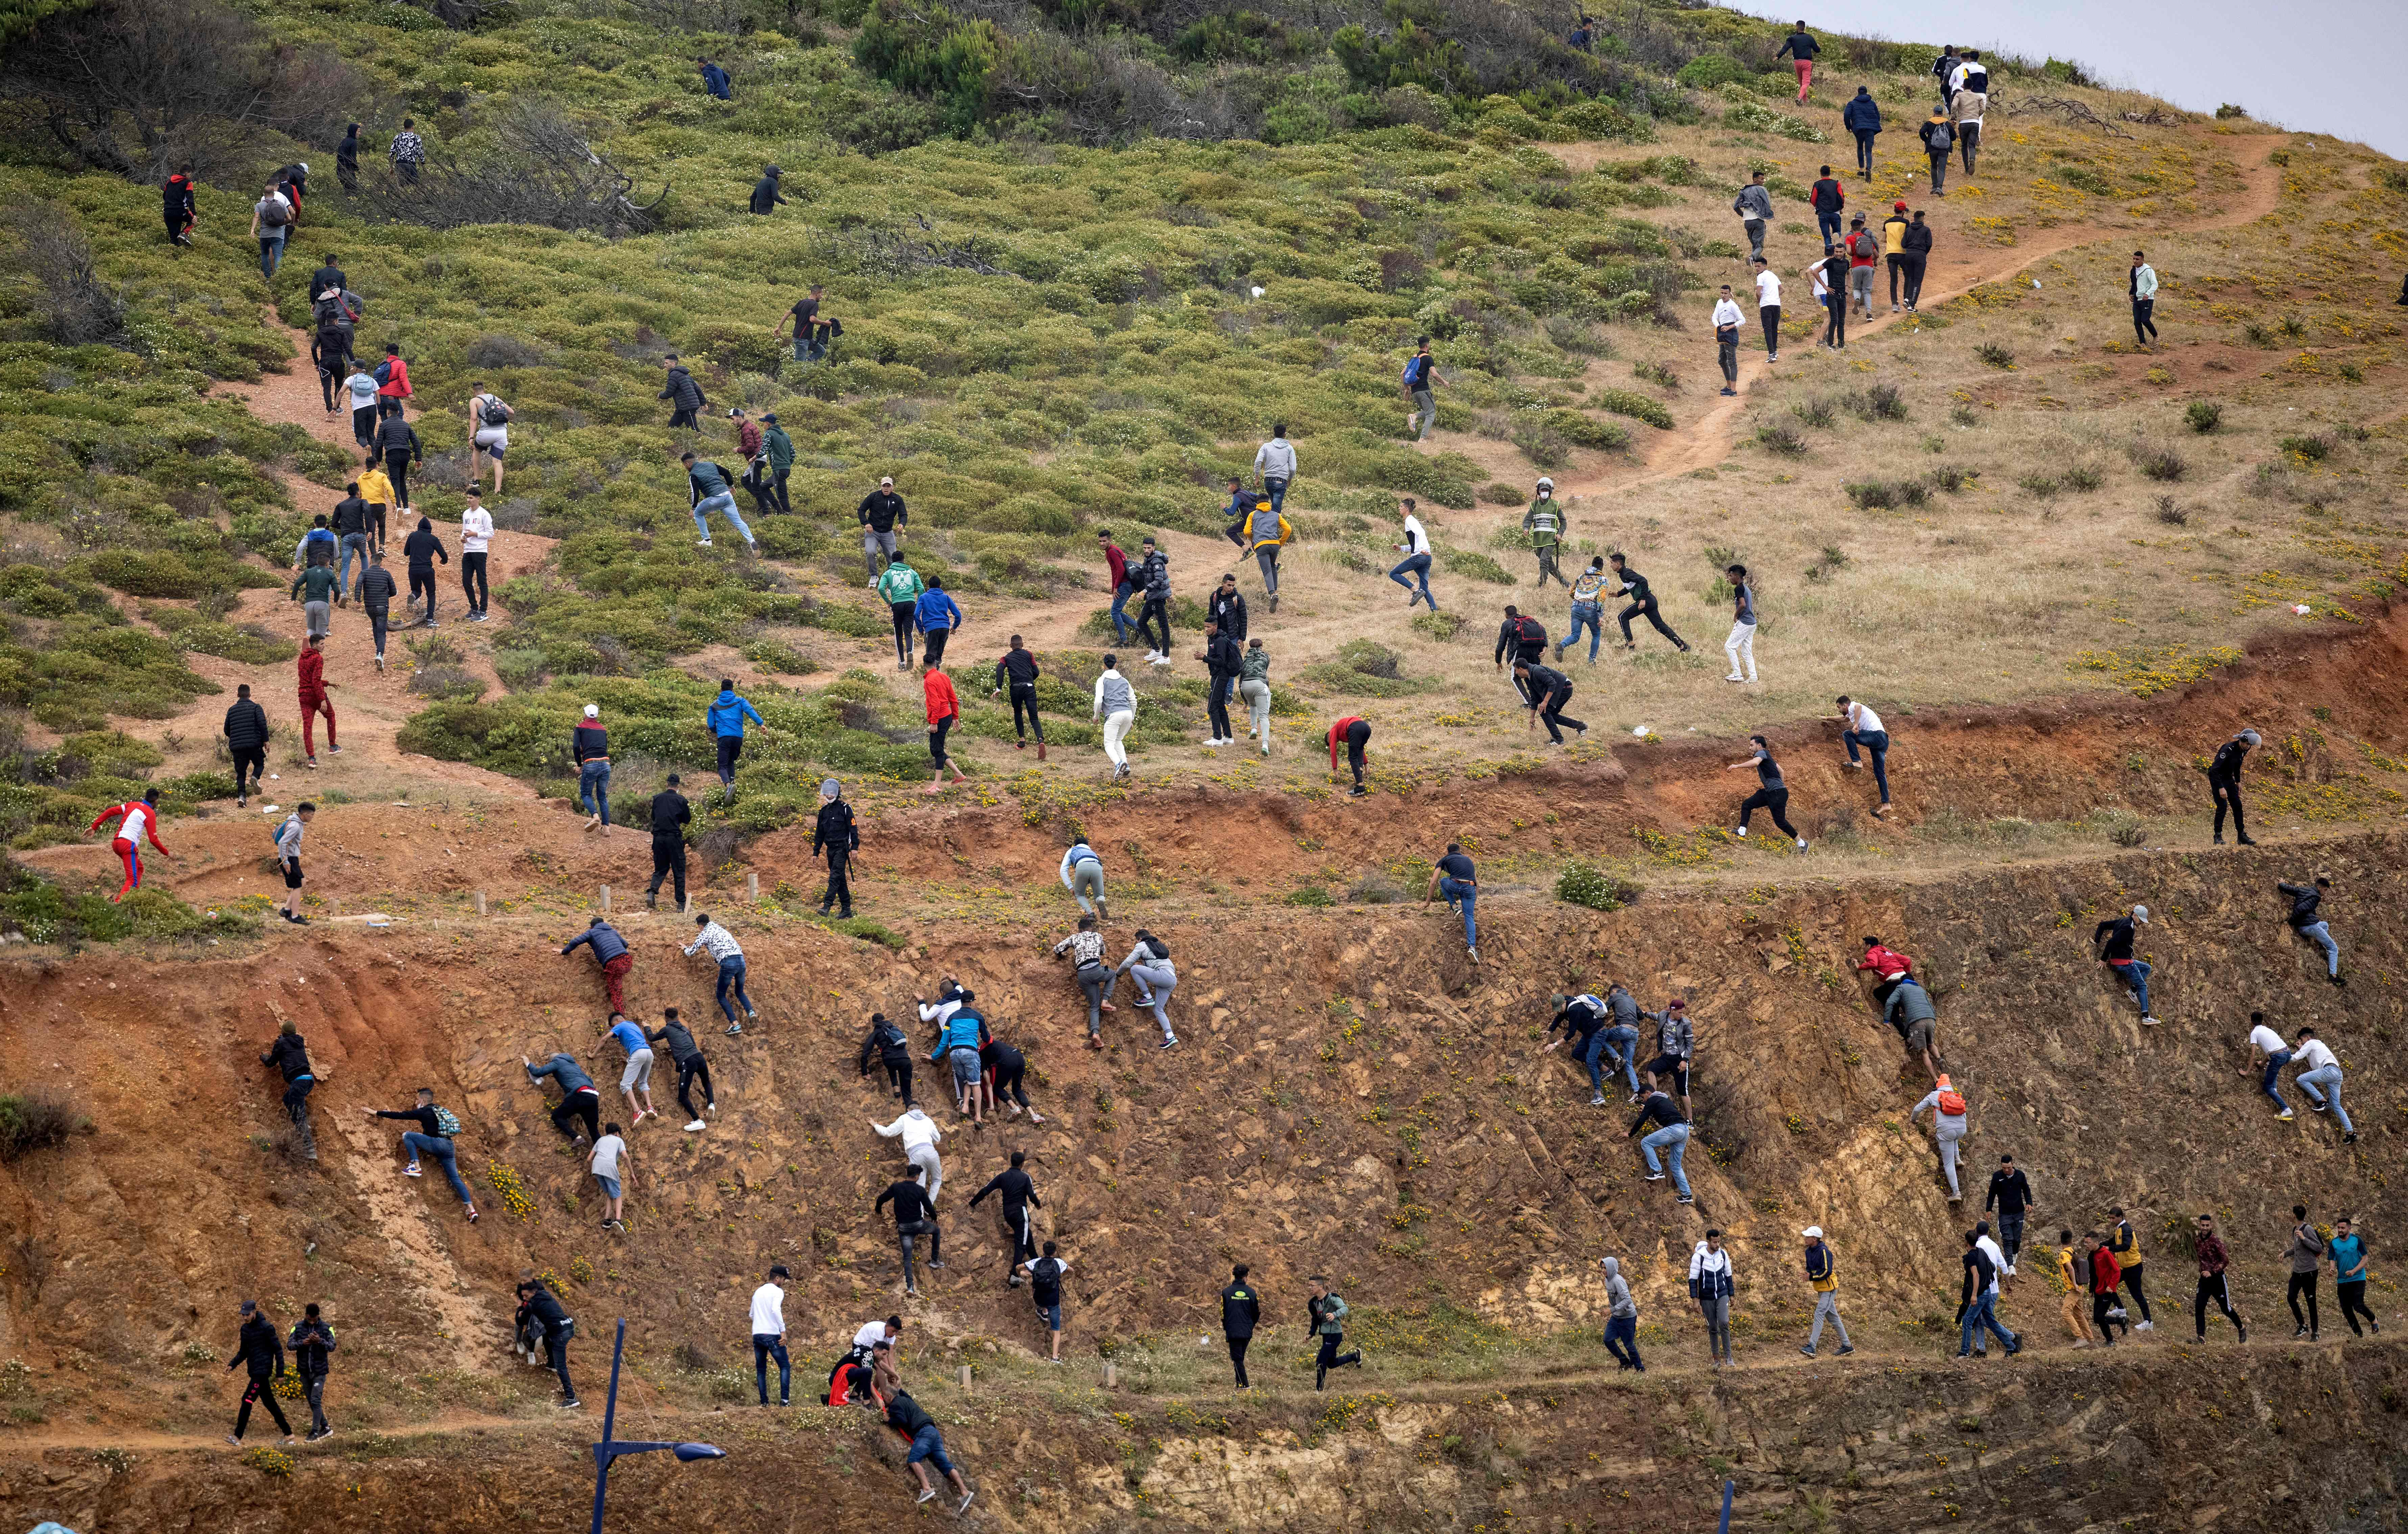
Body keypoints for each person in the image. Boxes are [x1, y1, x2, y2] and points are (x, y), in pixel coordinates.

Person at [851, 1367, 974, 1513]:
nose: (883, 1400)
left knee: (914, 1459)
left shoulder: (896, 1405)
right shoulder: (906, 1399)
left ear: (889, 1397)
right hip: (934, 1432)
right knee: (945, 1464)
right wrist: (896, 1385)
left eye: (884, 1398)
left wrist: (888, 1420)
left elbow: (901, 1420)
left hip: (923, 1434)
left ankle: (927, 1489)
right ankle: (965, 1492)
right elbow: (900, 1392)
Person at [367, 1087, 478, 1221]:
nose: (416, 1102)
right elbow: (430, 1131)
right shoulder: (438, 1110)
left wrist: (377, 1112)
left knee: (408, 1136)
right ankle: (472, 1210)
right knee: (455, 1179)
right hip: (449, 1146)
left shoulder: (424, 1111)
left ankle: (416, 1167)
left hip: (437, 1144)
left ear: (423, 1100)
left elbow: (402, 1116)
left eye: (417, 1099)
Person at [226, 1300, 295, 1446]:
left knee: (247, 1400)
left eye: (248, 1314)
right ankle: (289, 1434)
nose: (245, 1317)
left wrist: (280, 1373)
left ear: (255, 1312)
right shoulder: (245, 1330)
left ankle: (237, 1437)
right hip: (254, 1371)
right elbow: (243, 1352)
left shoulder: (267, 1328)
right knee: (270, 1404)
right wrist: (232, 1365)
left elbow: (278, 1351)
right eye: (243, 1315)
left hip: (262, 1373)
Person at [971, 1150, 1043, 1286]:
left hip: (1008, 1214)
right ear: (1022, 1164)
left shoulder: (1002, 1176)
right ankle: (1015, 1276)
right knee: (1021, 1245)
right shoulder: (1025, 1177)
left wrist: (973, 1203)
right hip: (1021, 1213)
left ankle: (1039, 1266)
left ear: (1011, 1161)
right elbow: (1032, 1195)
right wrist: (1038, 1204)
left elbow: (986, 1190)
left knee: (1027, 1237)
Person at [88, 787, 170, 902]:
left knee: (139, 868)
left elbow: (110, 811)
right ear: (156, 801)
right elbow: (154, 840)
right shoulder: (150, 813)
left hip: (117, 843)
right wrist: (167, 853)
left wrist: (94, 827)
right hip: (128, 845)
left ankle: (132, 898)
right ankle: (120, 906)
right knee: (132, 880)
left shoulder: (132, 805)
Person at [1728, 734, 1806, 850]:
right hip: (1772, 792)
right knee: (1747, 804)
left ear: (1759, 746)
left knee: (1781, 822)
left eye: (1751, 745)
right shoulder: (1768, 756)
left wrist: (1737, 766)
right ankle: (1742, 831)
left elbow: (1755, 763)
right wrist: (1779, 785)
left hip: (1777, 793)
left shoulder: (1762, 753)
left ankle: (1802, 844)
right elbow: (1781, 771)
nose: (1750, 748)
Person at [875, 1164, 942, 1296]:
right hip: (919, 1225)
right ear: (917, 1176)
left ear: (908, 1174)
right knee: (936, 1231)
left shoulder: (897, 1187)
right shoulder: (920, 1190)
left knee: (907, 1258)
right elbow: (928, 1207)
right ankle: (934, 1260)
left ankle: (910, 1287)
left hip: (904, 1227)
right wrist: (935, 1217)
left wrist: (878, 1209)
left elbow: (881, 1199)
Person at [1603, 553, 1687, 654]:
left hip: (1646, 601)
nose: (1610, 565)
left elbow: (1643, 581)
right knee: (1660, 627)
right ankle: (1683, 646)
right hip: (1650, 601)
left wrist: (1643, 599)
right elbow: (1630, 587)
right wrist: (1618, 594)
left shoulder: (1627, 573)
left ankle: (1630, 644)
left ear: (1617, 564)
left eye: (1611, 563)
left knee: (1622, 617)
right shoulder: (1623, 574)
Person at [260, 1020, 319, 1162]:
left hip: (298, 1083)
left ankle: (310, 1151)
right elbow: (290, 1044)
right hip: (309, 1081)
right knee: (287, 1100)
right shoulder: (299, 1041)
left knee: (299, 1116)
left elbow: (271, 1063)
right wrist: (283, 1040)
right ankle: (303, 1125)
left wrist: (264, 1058)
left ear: (283, 1033)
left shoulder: (281, 1044)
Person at [647, 1008, 715, 1131]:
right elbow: (692, 1045)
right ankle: (711, 1104)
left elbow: (652, 1038)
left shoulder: (667, 1029)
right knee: (706, 1082)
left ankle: (697, 1120)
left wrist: (647, 1027)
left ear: (666, 1018)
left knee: (683, 1097)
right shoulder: (686, 1029)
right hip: (699, 1057)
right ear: (678, 1018)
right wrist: (674, 1049)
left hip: (688, 1062)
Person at [686, 913, 756, 1032]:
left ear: (701, 926)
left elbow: (690, 952)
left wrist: (684, 948)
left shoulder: (704, 933)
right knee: (740, 992)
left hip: (729, 963)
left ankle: (735, 1024)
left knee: (721, 995)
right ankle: (751, 1013)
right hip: (741, 960)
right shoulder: (720, 929)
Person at [516, 1273, 579, 1407]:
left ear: (534, 1293)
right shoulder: (546, 1295)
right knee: (547, 1336)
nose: (524, 1298)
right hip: (569, 1327)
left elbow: (521, 1321)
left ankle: (572, 1399)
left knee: (562, 1367)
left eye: (526, 1296)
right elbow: (539, 1285)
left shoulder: (533, 1305)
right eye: (523, 1296)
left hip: (561, 1334)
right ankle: (552, 1364)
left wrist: (520, 1311)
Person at [1957, 1230, 2019, 1359]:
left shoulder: (1971, 1257)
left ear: (1966, 1243)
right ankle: (2012, 1346)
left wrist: (1974, 1295)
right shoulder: (1982, 1252)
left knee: (1968, 1320)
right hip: (1988, 1291)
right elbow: (1992, 1267)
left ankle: (1964, 1352)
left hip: (1980, 1294)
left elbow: (1976, 1275)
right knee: (1990, 1321)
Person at [2093, 905, 2158, 1025]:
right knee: (2143, 986)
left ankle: (2133, 991)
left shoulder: (2124, 920)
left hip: (2125, 959)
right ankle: (2146, 1017)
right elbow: (2111, 942)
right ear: (2135, 915)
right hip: (2124, 962)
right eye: (2141, 920)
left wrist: (2097, 940)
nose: (2142, 923)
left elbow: (2103, 925)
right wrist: (2103, 960)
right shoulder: (2129, 927)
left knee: (2147, 968)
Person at [1628, 1086, 1692, 1204]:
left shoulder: (1653, 1098)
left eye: (1643, 1097)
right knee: (1675, 1165)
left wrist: (1630, 1134)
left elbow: (1642, 1119)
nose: (1644, 1101)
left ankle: (1657, 1171)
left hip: (1675, 1129)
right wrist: (1649, 1113)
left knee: (1646, 1142)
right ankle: (1687, 1195)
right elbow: (1663, 1114)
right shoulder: (1664, 1099)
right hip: (1684, 1130)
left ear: (1648, 1093)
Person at [2291, 1026, 2357, 1143]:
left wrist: (2283, 1057)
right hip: (2337, 1073)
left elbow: (2297, 1057)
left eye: (2302, 1039)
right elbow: (2314, 1058)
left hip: (2329, 1071)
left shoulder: (2311, 1043)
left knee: (2301, 1079)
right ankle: (2351, 1133)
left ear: (2307, 1038)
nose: (2301, 1042)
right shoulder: (2320, 1045)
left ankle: (2321, 1101)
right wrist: (2302, 1048)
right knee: (2336, 1105)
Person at [1115, 930, 1178, 1048]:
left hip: (1162, 975)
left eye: (1136, 941)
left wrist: (1118, 974)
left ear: (1139, 939)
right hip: (1171, 979)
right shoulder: (1158, 946)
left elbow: (1128, 963)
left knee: (1134, 969)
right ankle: (1170, 1036)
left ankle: (1148, 997)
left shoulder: (1142, 945)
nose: (1136, 943)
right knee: (1158, 1009)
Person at [1911, 1073, 1969, 1202]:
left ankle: (1956, 1193)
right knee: (1954, 1135)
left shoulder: (1934, 1095)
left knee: (1948, 1163)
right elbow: (1964, 1116)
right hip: (1962, 1129)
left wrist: (1913, 1120)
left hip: (1946, 1132)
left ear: (1938, 1085)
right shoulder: (1956, 1096)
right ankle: (1958, 1158)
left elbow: (1917, 1109)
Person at [684, 450, 756, 553]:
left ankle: (707, 541)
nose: (685, 468)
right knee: (738, 520)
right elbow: (726, 472)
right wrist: (731, 486)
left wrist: (693, 508)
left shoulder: (693, 475)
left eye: (684, 466)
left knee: (698, 513)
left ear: (688, 464)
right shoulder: (710, 464)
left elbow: (695, 493)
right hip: (728, 496)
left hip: (715, 499)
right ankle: (751, 540)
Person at [1831, 695, 1893, 814]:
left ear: (1846, 705)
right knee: (1879, 773)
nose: (1839, 710)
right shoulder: (1850, 714)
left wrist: (1856, 724)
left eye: (1839, 707)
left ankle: (1857, 762)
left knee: (1848, 734)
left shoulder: (1854, 706)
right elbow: (1844, 719)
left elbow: (1859, 707)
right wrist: (1828, 718)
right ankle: (1886, 804)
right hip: (1882, 742)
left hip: (1877, 736)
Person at [525, 1051, 602, 1146]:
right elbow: (590, 1080)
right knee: (593, 1130)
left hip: (579, 1094)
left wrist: (528, 1063)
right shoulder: (575, 1065)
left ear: (551, 1060)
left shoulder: (557, 1062)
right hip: (592, 1096)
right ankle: (605, 1154)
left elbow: (538, 1072)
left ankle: (576, 1137)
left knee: (557, 1117)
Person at [874, 1102, 945, 1205]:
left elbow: (888, 1132)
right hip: (931, 1151)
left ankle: (920, 1215)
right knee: (937, 1181)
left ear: (908, 1110)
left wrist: (875, 1125)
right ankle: (929, 1206)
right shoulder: (928, 1120)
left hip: (916, 1154)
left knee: (919, 1187)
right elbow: (938, 1138)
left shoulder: (904, 1118)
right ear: (921, 1110)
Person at [561, 917, 635, 1015]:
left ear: (592, 927)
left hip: (614, 963)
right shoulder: (613, 931)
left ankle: (621, 1018)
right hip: (627, 960)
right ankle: (618, 981)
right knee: (618, 976)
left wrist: (564, 952)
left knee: (616, 992)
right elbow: (626, 944)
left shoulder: (591, 932)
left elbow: (575, 942)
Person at [2192, 1213, 2247, 1344]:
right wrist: (2203, 1271)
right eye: (2203, 1225)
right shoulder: (2197, 1241)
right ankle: (2201, 1337)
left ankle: (2242, 1328)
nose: (2205, 1228)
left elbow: (2225, 1260)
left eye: (2207, 1225)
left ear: (2211, 1226)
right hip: (2204, 1280)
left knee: (2226, 1309)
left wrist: (2212, 1272)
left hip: (2218, 1279)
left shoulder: (2217, 1241)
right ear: (2199, 1225)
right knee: (2199, 1307)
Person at [708, 678, 764, 805]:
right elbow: (750, 711)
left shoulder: (714, 706)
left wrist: (718, 730)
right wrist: (761, 724)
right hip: (738, 738)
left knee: (722, 765)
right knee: (731, 761)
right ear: (733, 689)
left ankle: (728, 786)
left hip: (724, 737)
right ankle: (732, 784)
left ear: (721, 690)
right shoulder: (740, 701)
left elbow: (711, 725)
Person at [2279, 875, 2343, 985]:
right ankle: (2333, 976)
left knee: (2325, 925)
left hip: (2305, 926)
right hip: (2308, 927)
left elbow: (2291, 889)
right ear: (2319, 887)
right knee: (2333, 948)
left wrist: (2282, 884)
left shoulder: (2305, 890)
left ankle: (2322, 948)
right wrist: (2290, 923)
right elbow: (2301, 909)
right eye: (2325, 890)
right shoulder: (2316, 897)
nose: (2326, 892)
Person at [1800, 1226, 1853, 1357]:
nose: (1805, 1238)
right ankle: (1847, 1346)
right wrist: (1808, 1274)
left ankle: (1812, 1346)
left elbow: (1827, 1271)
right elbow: (1810, 1268)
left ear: (1815, 1239)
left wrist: (1811, 1277)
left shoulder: (1824, 1252)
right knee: (1834, 1318)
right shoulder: (1809, 1251)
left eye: (1808, 1237)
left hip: (1829, 1289)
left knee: (1819, 1313)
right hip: (1821, 1288)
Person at [992, 634, 1047, 759]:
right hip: (1029, 687)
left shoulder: (1006, 658)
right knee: (1034, 717)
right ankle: (1040, 739)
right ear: (1022, 645)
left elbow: (999, 669)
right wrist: (1030, 680)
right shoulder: (1029, 654)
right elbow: (1037, 672)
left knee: (1018, 713)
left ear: (1011, 646)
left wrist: (999, 688)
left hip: (1015, 688)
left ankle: (1022, 741)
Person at [809, 777, 858, 917]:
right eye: (827, 792)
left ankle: (827, 906)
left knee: (834, 877)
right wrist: (816, 852)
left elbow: (853, 829)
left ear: (837, 792)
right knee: (840, 879)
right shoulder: (823, 811)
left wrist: (855, 847)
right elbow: (819, 833)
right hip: (830, 849)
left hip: (842, 849)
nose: (829, 795)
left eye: (832, 792)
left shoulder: (846, 808)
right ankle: (847, 910)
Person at [287, 1303, 336, 1441]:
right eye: (310, 1319)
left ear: (318, 1316)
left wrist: (319, 1341)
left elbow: (333, 1346)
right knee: (311, 1402)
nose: (312, 1321)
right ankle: (326, 1428)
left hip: (320, 1371)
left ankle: (315, 1432)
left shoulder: (328, 1328)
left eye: (314, 1319)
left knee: (315, 1401)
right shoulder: (297, 1327)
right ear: (306, 1315)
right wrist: (303, 1343)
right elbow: (290, 1345)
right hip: (304, 1371)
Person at [870, 553, 926, 671]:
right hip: (910, 603)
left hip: (897, 604)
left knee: (899, 634)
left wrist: (888, 601)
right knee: (909, 633)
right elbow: (921, 589)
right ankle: (910, 651)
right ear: (903, 560)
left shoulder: (888, 573)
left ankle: (902, 663)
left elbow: (881, 588)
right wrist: (918, 603)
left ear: (893, 561)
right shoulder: (912, 572)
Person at [920, 663, 968, 796]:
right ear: (935, 664)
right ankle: (959, 775)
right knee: (935, 749)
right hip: (947, 716)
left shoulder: (929, 681)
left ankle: (936, 785)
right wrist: (955, 717)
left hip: (940, 718)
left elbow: (935, 703)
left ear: (924, 665)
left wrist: (934, 722)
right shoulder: (944, 677)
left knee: (938, 750)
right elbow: (953, 699)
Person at [1515, 658, 1586, 747]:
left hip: (1565, 688)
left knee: (1545, 712)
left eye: (1516, 670)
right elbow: (1534, 697)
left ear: (1521, 669)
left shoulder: (1537, 671)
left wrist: (1545, 702)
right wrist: (1532, 718)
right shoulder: (1528, 679)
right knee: (1551, 715)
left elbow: (1552, 683)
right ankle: (1580, 726)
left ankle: (1559, 740)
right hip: (1560, 689)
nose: (1516, 673)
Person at [1020, 1240, 1071, 1362]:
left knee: (1042, 1302)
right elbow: (1072, 1270)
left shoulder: (1036, 1262)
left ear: (1043, 1250)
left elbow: (1018, 1267)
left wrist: (1020, 1274)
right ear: (1055, 1251)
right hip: (1054, 1301)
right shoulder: (1059, 1262)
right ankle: (1054, 1358)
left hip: (1039, 1298)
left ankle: (1043, 1311)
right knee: (1056, 1330)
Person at [2329, 1217, 2380, 1338]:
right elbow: (2332, 1258)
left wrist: (2354, 1271)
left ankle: (2374, 1319)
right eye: (2339, 1228)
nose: (2340, 1230)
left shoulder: (2357, 1241)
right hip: (2342, 1280)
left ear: (2349, 1228)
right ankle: (2358, 1334)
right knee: (2346, 1309)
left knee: (2358, 1306)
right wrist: (2332, 1268)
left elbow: (2365, 1259)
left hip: (2358, 1278)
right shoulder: (2334, 1243)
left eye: (2343, 1228)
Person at [1984, 1155, 2035, 1278]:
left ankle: (2014, 1254)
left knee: (2016, 1239)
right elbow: (1992, 1193)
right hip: (2005, 1214)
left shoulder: (2020, 1175)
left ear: (2013, 1165)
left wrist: (2029, 1203)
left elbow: (2026, 1190)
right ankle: (2010, 1266)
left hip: (2018, 1212)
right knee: (2008, 1239)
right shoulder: (1997, 1177)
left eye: (2009, 1168)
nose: (2006, 1170)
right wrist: (1989, 1209)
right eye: (2004, 1168)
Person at [1306, 1279, 1362, 1390]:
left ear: (1320, 1287)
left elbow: (1345, 1308)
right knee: (1331, 1364)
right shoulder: (1314, 1303)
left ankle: (1319, 1390)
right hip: (1326, 1335)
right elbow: (1315, 1319)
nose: (1310, 1288)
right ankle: (1355, 1356)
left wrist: (1335, 1314)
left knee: (1321, 1361)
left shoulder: (1333, 1298)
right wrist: (1311, 1334)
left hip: (1335, 1335)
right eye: (1309, 1286)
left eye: (1312, 1286)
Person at [1690, 1231, 1736, 1366]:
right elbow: (1693, 1280)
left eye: (1719, 1242)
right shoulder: (1699, 1257)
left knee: (1724, 1323)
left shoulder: (1723, 1254)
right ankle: (1716, 1359)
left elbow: (1728, 1275)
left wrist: (1732, 1294)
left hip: (1722, 1295)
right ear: (1708, 1242)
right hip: (1707, 1297)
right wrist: (1695, 1300)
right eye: (1715, 1242)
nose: (1717, 1245)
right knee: (1713, 1327)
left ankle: (1729, 1357)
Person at [2207, 727, 2259, 845]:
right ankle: (2218, 836)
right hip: (2217, 777)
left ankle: (2241, 836)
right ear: (2241, 741)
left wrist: (2238, 782)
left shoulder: (2244, 750)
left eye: (2250, 745)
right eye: (2246, 744)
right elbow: (2215, 769)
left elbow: (2237, 766)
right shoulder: (2228, 749)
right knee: (2222, 806)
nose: (2248, 747)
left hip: (2228, 778)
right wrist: (2221, 788)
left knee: (2237, 805)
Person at [1240, 493, 1291, 612]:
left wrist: (1254, 539)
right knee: (1273, 567)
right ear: (1269, 502)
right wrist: (1281, 543)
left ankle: (1273, 595)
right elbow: (1288, 529)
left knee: (1267, 571)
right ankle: (1276, 592)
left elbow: (1247, 531)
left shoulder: (1252, 515)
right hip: (1275, 545)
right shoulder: (1276, 515)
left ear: (1257, 503)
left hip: (1261, 546)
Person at [1427, 842, 1478, 962]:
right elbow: (1476, 882)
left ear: (1448, 852)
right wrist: (1474, 898)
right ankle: (1472, 948)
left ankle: (1454, 907)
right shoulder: (1469, 860)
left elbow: (1433, 882)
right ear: (1460, 851)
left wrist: (1427, 903)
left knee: (1444, 880)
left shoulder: (1445, 859)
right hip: (1470, 888)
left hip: (1454, 884)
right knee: (1470, 917)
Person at [2104, 1208, 2153, 1330]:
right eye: (2110, 1218)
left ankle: (2148, 1322)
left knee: (2137, 1295)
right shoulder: (2119, 1229)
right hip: (2124, 1268)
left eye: (2113, 1218)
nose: (2111, 1221)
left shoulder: (2126, 1230)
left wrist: (2110, 1248)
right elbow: (2113, 1241)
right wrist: (2099, 1246)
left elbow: (2126, 1246)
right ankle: (2120, 1309)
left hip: (2133, 1268)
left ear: (2120, 1217)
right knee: (2109, 1284)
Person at [1886, 978, 1944, 1082]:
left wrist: (1886, 1020)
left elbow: (1890, 1002)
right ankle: (1940, 1058)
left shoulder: (1901, 988)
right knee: (1931, 1043)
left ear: (1902, 982)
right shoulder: (1921, 989)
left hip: (1917, 1022)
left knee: (1924, 1052)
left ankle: (1936, 1081)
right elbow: (1932, 1008)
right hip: (1931, 1019)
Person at [648, 774, 692, 911]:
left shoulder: (657, 798)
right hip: (674, 838)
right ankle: (681, 903)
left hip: (658, 838)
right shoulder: (682, 800)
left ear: (667, 784)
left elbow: (653, 817)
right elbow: (687, 820)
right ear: (678, 786)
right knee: (679, 870)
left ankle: (652, 892)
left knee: (661, 869)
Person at [224, 685, 271, 808]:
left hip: (237, 748)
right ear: (250, 695)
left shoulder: (231, 710)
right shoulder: (256, 707)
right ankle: (255, 777)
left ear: (238, 695)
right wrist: (266, 740)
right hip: (254, 745)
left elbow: (227, 731)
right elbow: (262, 724)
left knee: (241, 773)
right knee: (260, 764)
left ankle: (242, 797)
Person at [750, 1265, 791, 1406]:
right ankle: (785, 1401)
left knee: (761, 1370)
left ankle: (764, 1402)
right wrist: (783, 1331)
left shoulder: (758, 1292)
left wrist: (761, 1322)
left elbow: (752, 1315)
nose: (784, 1283)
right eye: (784, 1280)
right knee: (785, 1366)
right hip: (772, 1335)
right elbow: (775, 1310)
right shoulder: (778, 1292)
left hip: (757, 1334)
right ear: (778, 1278)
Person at [857, 474, 909, 583]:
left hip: (888, 532)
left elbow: (903, 514)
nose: (886, 489)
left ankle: (891, 581)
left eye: (888, 486)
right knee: (870, 552)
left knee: (893, 558)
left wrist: (902, 524)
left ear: (892, 487)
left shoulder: (898, 499)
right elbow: (861, 510)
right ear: (881, 486)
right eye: (884, 486)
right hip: (873, 531)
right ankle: (874, 576)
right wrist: (866, 523)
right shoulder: (874, 497)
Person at [1198, 621, 1243, 747]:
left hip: (1221, 676)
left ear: (1216, 627)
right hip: (1215, 675)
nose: (1206, 629)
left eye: (1209, 627)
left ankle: (1217, 738)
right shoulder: (1211, 639)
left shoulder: (1221, 641)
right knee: (1220, 706)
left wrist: (1204, 658)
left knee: (1212, 706)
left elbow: (1221, 662)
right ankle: (1228, 737)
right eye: (1205, 627)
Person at [1093, 655, 1137, 781]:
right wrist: (1132, 719)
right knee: (1118, 740)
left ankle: (1119, 764)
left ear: (1104, 665)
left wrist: (1096, 717)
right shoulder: (1125, 681)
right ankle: (1126, 765)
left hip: (1113, 715)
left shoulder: (1102, 680)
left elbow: (1098, 702)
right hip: (1128, 713)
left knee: (1109, 744)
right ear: (1116, 665)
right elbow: (1133, 701)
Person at [1596, 1256, 1643, 1371]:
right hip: (1616, 1317)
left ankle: (1640, 1369)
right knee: (1608, 1340)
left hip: (1628, 1317)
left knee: (1629, 1345)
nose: (1603, 1271)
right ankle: (1625, 1362)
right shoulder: (1607, 1280)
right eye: (1602, 1268)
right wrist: (1613, 1311)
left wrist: (1611, 1310)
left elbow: (1628, 1300)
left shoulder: (1618, 1281)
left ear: (1612, 1268)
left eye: (1605, 1268)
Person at [1559, 557, 1609, 663]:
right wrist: (1601, 615)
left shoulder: (1582, 577)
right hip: (1590, 609)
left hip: (1575, 607)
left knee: (1575, 636)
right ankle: (1592, 661)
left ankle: (1562, 645)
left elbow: (1571, 593)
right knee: (1596, 635)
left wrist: (1579, 602)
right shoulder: (1603, 580)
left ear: (1592, 565)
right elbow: (1601, 598)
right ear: (1602, 568)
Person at [1495, 603, 1550, 700]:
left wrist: (1498, 661)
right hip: (1536, 650)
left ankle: (1528, 702)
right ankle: (1539, 699)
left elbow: (1501, 646)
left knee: (1515, 678)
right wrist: (1545, 647)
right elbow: (1543, 630)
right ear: (1517, 612)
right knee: (1532, 674)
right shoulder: (1529, 620)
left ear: (1506, 616)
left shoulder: (1507, 623)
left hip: (1520, 650)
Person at [2286, 1205, 2325, 1340]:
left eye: (2291, 1213)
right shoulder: (2295, 1230)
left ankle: (2315, 1332)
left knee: (2311, 1301)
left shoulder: (2307, 1229)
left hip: (2310, 1272)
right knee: (2291, 1298)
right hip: (2297, 1271)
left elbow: (2319, 1248)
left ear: (2294, 1215)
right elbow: (2296, 1249)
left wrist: (2304, 1238)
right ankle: (2302, 1325)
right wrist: (2285, 1253)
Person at [1390, 501, 1437, 610]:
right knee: (1425, 588)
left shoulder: (1410, 520)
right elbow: (1415, 545)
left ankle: (1416, 591)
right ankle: (1436, 613)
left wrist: (1423, 549)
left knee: (1393, 574)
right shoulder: (1411, 521)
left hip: (1420, 558)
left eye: (1401, 507)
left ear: (1407, 509)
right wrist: (1402, 548)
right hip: (1426, 558)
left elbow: (1421, 533)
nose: (1399, 508)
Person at [273, 803, 314, 925]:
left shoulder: (296, 823)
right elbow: (282, 843)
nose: (313, 817)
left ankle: (286, 910)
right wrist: (285, 862)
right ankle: (295, 917)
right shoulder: (295, 826)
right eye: (312, 815)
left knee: (302, 882)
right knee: (297, 887)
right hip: (289, 859)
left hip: (292, 859)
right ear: (305, 814)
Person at [1221, 1264, 1262, 1386]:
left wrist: (1226, 1327)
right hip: (1246, 1331)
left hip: (1233, 1330)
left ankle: (1244, 1386)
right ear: (1245, 1277)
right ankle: (1240, 1384)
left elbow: (1222, 1313)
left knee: (1238, 1359)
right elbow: (1256, 1313)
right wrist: (1250, 1325)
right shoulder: (1252, 1293)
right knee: (1239, 1358)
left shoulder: (1226, 1292)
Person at [2087, 1231, 2130, 1346]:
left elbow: (2117, 1271)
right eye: (2085, 1243)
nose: (2086, 1245)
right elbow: (2093, 1273)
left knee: (2100, 1317)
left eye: (2088, 1243)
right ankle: (2121, 1321)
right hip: (2098, 1290)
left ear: (2096, 1243)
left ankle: (2110, 1342)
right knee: (2097, 1319)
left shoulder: (2106, 1254)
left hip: (2108, 1291)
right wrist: (2091, 1289)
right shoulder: (2091, 1255)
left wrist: (2111, 1286)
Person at [402, 514, 447, 627]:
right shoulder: (433, 539)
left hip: (413, 570)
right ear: (430, 529)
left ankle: (413, 596)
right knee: (431, 594)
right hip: (427, 570)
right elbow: (444, 555)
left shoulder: (412, 536)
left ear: (419, 527)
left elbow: (406, 553)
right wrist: (443, 562)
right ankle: (431, 620)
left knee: (417, 591)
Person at [1522, 480, 1567, 587]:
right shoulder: (1534, 506)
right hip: (1539, 539)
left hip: (1551, 539)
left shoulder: (1556, 505)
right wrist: (1526, 528)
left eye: (1547, 490)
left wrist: (1560, 534)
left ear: (1550, 491)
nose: (1544, 492)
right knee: (1548, 562)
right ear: (1538, 491)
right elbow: (1528, 520)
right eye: (1542, 490)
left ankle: (1542, 584)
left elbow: (1563, 522)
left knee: (1544, 560)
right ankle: (1564, 582)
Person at [2055, 1232, 2096, 1348]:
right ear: (2071, 1241)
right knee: (2079, 1315)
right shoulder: (2072, 1252)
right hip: (2080, 1288)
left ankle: (2080, 1338)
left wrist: (2074, 1285)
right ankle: (2091, 1341)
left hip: (2074, 1289)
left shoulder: (2064, 1254)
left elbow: (2071, 1268)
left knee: (2066, 1313)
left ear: (2061, 1241)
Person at [1135, 537, 1173, 663]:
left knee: (1163, 626)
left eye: (1149, 548)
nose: (1146, 550)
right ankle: (1157, 650)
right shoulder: (1148, 559)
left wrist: (1144, 591)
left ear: (1154, 548)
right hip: (1152, 597)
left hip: (1158, 597)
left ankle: (1166, 657)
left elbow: (1159, 580)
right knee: (1141, 622)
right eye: (1145, 548)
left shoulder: (1156, 561)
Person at [589, 1121, 632, 1232]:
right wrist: (632, 1173)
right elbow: (625, 1156)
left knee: (610, 1193)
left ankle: (607, 1221)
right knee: (618, 1195)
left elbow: (589, 1159)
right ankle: (618, 1220)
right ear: (618, 1133)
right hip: (609, 1167)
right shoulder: (619, 1140)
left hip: (597, 1168)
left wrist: (594, 1170)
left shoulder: (600, 1140)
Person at [914, 578, 962, 672]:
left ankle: (933, 676)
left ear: (929, 586)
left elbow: (916, 614)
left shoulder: (923, 597)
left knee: (931, 655)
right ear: (940, 586)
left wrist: (920, 630)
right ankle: (940, 667)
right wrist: (954, 627)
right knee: (939, 655)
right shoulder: (946, 597)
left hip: (931, 628)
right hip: (945, 628)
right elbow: (958, 615)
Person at [1403, 336, 1446, 440]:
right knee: (1431, 414)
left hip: (1415, 393)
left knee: (1428, 412)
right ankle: (1422, 439)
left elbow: (1402, 373)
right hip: (1424, 391)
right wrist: (1444, 382)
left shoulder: (1414, 358)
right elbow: (1434, 374)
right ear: (1427, 345)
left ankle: (1415, 417)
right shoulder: (1428, 358)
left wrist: (1407, 389)